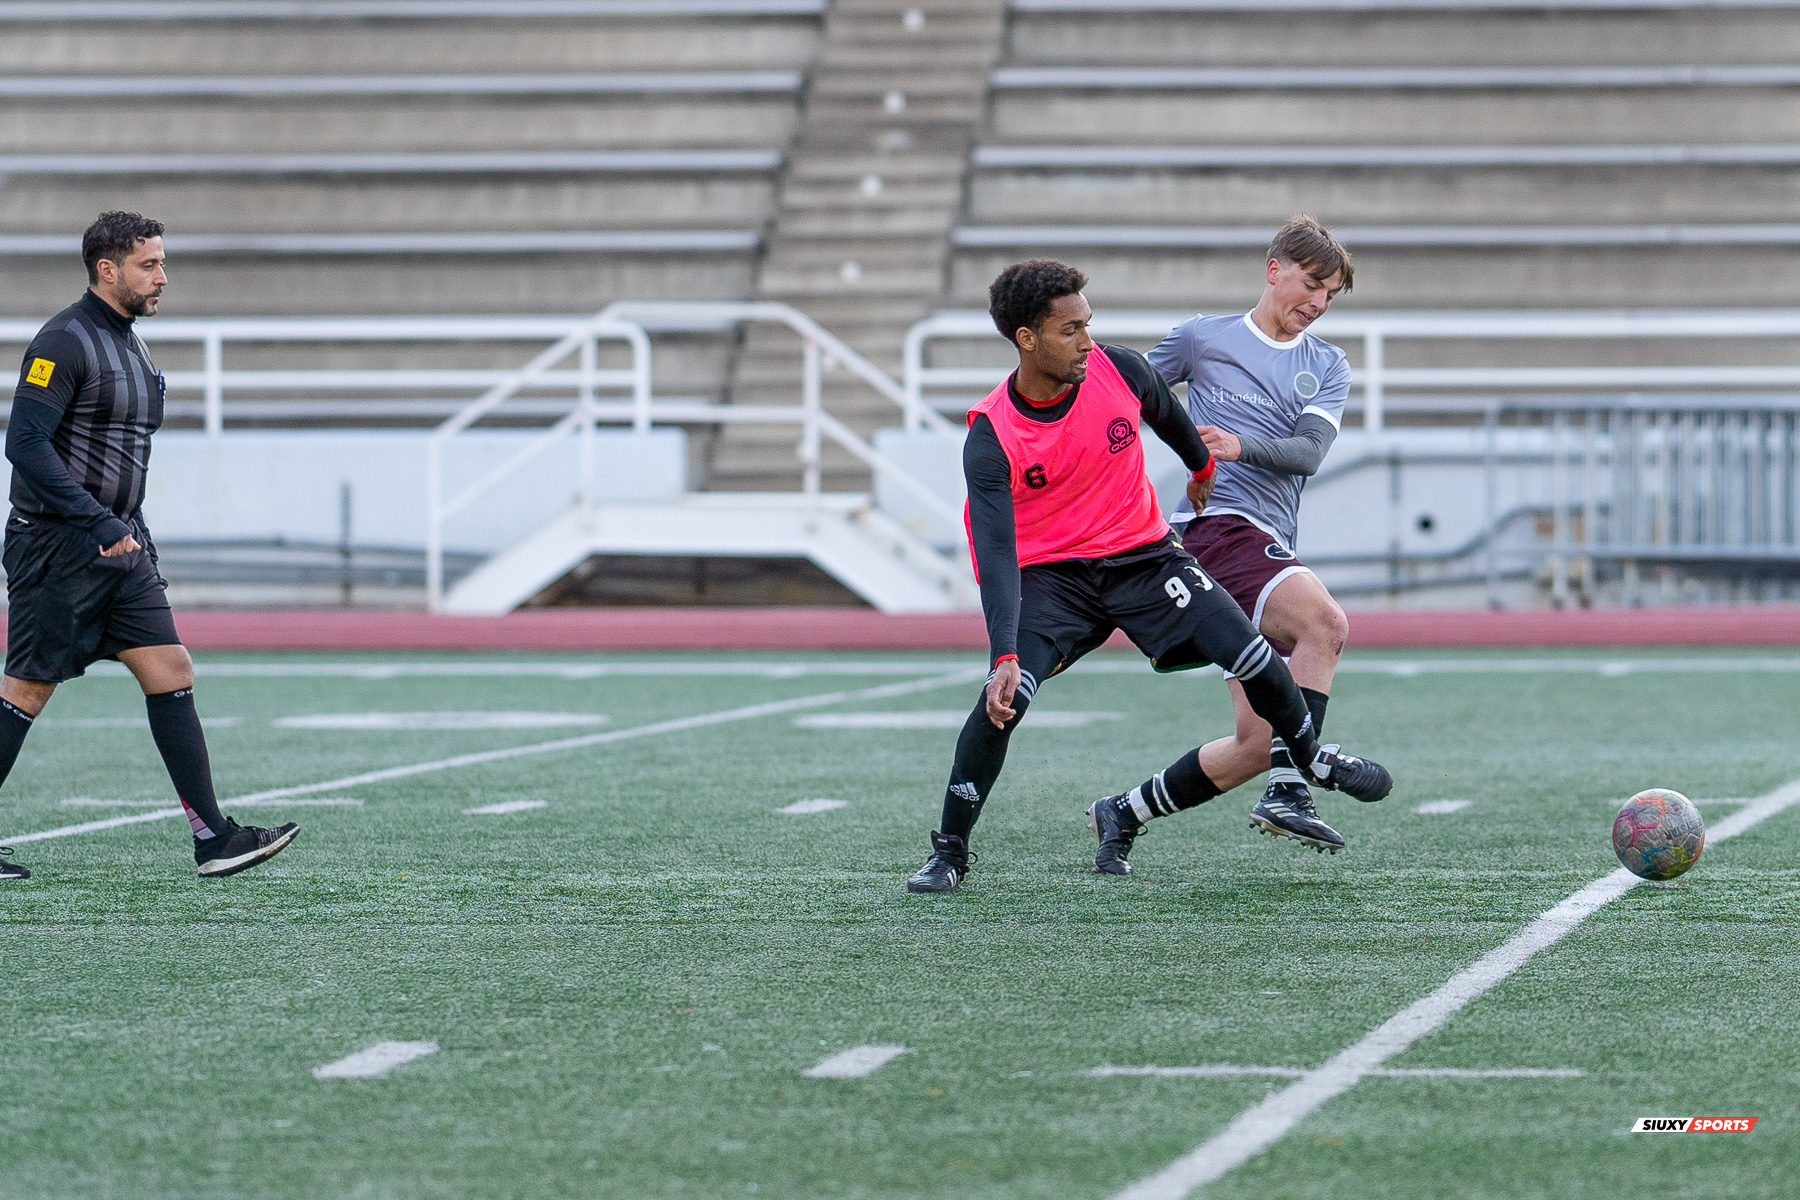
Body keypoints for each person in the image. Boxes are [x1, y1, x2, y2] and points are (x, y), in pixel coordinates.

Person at [905, 259, 1389, 893]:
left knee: (1251, 652)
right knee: (1004, 704)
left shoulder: (1120, 369)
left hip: (1147, 559)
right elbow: (995, 551)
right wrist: (1004, 654)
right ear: (1027, 339)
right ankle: (949, 852)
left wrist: (1198, 467)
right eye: (1070, 331)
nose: (1086, 342)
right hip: (1055, 580)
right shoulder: (992, 435)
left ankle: (1304, 765)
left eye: (1089, 325)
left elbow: (1168, 414)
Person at [0, 212, 299, 881]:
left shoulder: (131, 344)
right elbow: (23, 445)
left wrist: (129, 531)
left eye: (163, 263)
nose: (163, 277)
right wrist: (98, 522)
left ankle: (213, 838)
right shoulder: (65, 339)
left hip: (121, 550)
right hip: (57, 547)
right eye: (149, 265)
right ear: (107, 270)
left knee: (171, 669)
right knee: (27, 689)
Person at [1107, 214, 1363, 870]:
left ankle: (1124, 811)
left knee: (1254, 742)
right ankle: (1293, 788)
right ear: (1273, 269)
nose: (1317, 304)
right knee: (1326, 625)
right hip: (1218, 529)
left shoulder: (1327, 363)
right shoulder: (1202, 338)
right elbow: (1122, 401)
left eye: (1330, 295)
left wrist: (1238, 443)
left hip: (1267, 539)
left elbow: (1308, 454)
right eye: (1310, 284)